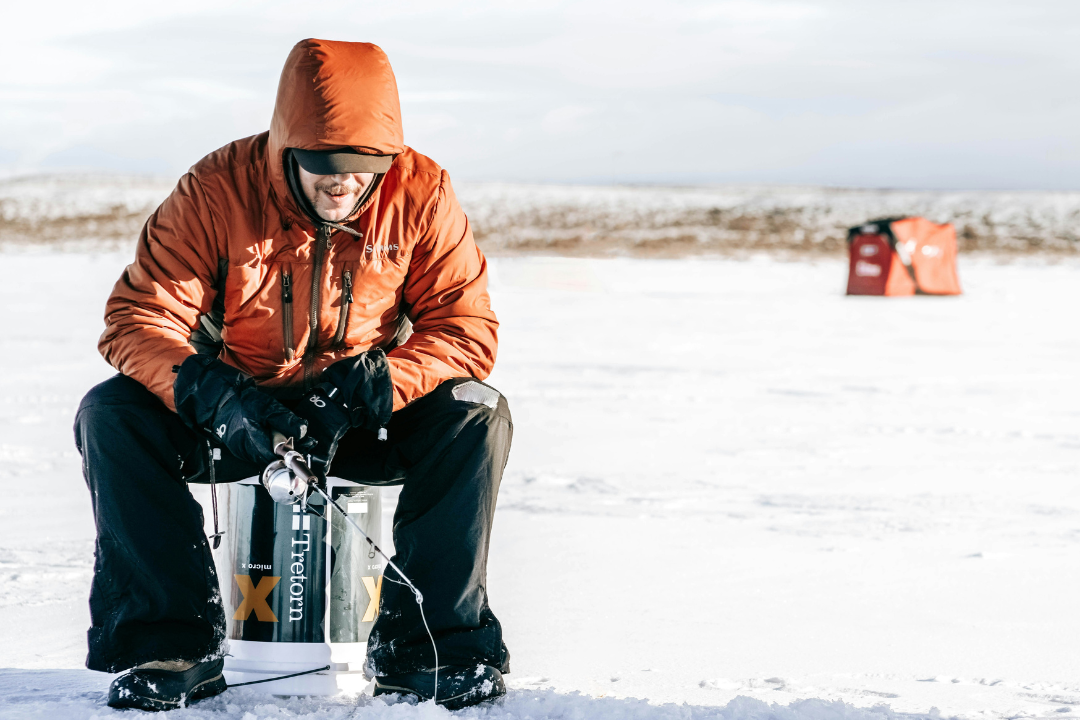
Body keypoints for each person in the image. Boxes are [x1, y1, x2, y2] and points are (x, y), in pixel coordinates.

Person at [74, 39, 512, 711]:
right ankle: (171, 643)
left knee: (475, 410)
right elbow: (139, 318)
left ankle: (430, 648)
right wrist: (210, 393)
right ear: (286, 151)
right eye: (323, 166)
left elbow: (465, 327)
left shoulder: (422, 192)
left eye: (362, 169)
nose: (342, 183)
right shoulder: (216, 190)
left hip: (363, 413)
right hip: (237, 415)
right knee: (113, 413)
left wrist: (383, 384)